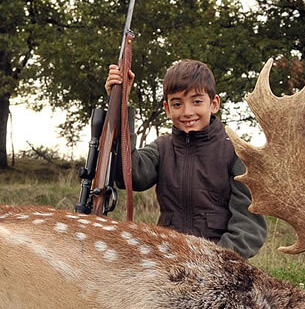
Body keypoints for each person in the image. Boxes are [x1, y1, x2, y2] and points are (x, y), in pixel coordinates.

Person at [106, 59, 267, 259]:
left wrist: (215, 260)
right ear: (167, 109)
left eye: (197, 101)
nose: (187, 112)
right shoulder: (162, 148)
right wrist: (120, 101)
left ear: (214, 103)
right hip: (167, 260)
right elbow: (128, 175)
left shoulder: (236, 153)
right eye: (177, 104)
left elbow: (249, 228)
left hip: (219, 265)